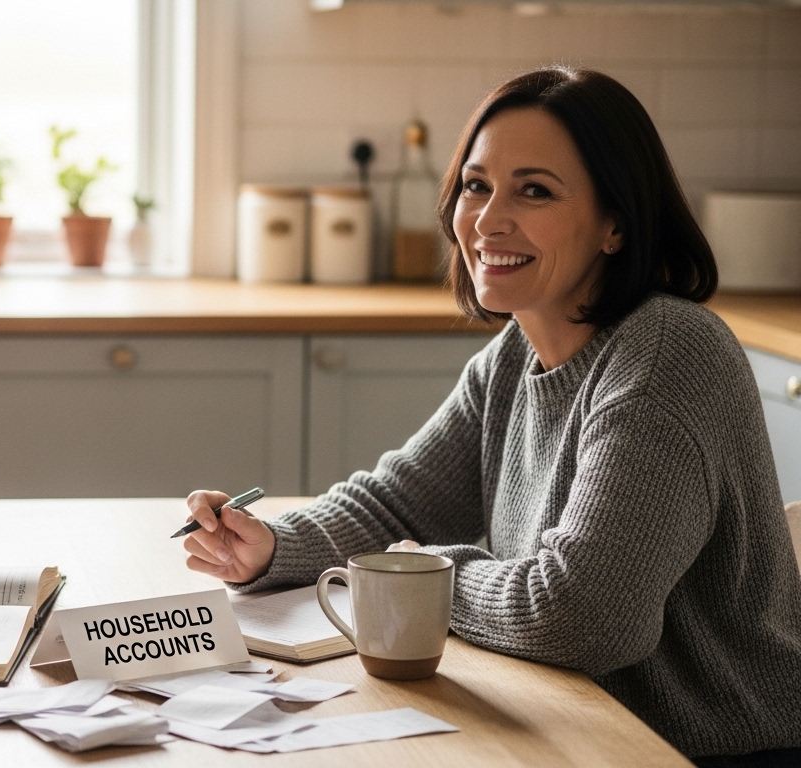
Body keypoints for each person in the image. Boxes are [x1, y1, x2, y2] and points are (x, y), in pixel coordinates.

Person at [182, 67, 801, 766]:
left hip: (713, 752)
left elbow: (586, 619)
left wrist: (426, 576)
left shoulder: (665, 354)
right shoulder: (516, 355)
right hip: (580, 728)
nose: (487, 219)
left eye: (534, 191)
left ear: (615, 225)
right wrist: (270, 543)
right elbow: (397, 507)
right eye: (477, 186)